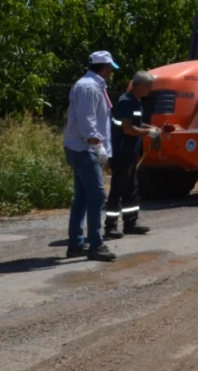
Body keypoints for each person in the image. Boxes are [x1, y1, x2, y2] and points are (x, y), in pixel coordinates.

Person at [61, 51, 119, 262]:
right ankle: (96, 245)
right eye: (111, 68)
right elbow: (88, 122)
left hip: (81, 148)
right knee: (97, 196)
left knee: (83, 197)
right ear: (105, 67)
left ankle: (76, 244)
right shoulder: (89, 87)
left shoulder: (91, 85)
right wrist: (99, 147)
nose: (112, 72)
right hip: (84, 149)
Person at [104, 71, 160, 238]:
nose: (149, 90)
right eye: (148, 87)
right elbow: (128, 129)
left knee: (131, 188)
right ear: (139, 86)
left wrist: (150, 128)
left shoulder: (136, 102)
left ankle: (131, 223)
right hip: (121, 153)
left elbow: (137, 123)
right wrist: (147, 133)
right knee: (118, 189)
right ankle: (110, 226)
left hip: (130, 153)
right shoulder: (126, 102)